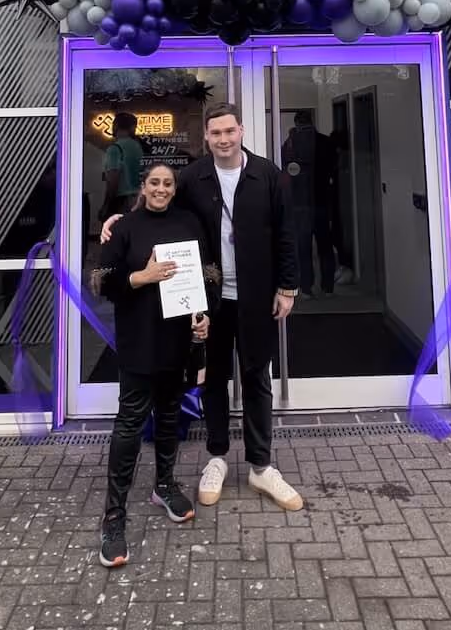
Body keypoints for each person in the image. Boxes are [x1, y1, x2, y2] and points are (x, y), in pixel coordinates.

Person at [103, 102, 303, 512]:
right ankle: (216, 458)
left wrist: (288, 287)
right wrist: (122, 219)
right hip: (210, 299)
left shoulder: (267, 175)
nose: (223, 140)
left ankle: (261, 466)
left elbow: (287, 232)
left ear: (241, 131)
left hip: (257, 294)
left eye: (229, 131)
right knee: (212, 379)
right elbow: (161, 208)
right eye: (215, 134)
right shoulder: (193, 176)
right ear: (206, 138)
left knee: (256, 377)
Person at [93, 162, 218, 568]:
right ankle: (114, 515)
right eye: (154, 183)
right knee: (130, 422)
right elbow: (100, 280)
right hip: (139, 340)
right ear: (143, 187)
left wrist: (205, 313)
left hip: (179, 340)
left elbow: (209, 273)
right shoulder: (125, 227)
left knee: (168, 415)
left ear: (173, 188)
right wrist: (141, 277)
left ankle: (164, 485)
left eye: (167, 183)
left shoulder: (190, 222)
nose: (161, 189)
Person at [281, 110, 337, 296]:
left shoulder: (290, 144)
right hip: (322, 201)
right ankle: (328, 287)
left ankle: (306, 288)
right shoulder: (326, 142)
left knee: (303, 248)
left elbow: (285, 171)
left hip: (299, 203)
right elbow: (333, 171)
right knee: (325, 246)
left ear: (297, 123)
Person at [99, 111, 143, 222]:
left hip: (122, 202)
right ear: (133, 127)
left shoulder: (114, 149)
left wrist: (106, 205)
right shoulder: (138, 147)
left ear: (116, 126)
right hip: (139, 198)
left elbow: (113, 180)